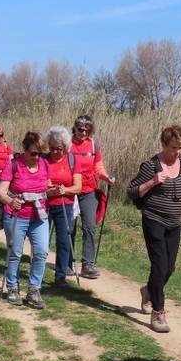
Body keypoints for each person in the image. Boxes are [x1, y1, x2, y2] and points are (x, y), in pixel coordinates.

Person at [128, 124, 181, 333]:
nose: (178, 152)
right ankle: (158, 312)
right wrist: (152, 182)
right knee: (159, 266)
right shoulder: (151, 165)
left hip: (174, 222)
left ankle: (149, 289)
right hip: (154, 219)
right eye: (174, 148)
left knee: (169, 268)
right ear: (164, 145)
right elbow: (132, 192)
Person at [0, 131, 51, 309]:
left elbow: (47, 187)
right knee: (15, 252)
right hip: (16, 216)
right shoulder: (13, 165)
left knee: (42, 251)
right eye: (34, 153)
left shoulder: (44, 164)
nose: (37, 157)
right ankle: (12, 287)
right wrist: (11, 201)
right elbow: (1, 192)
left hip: (39, 215)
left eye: (40, 153)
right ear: (25, 149)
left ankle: (34, 290)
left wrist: (55, 191)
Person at [70, 115, 114, 279]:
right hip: (71, 190)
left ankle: (87, 265)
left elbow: (98, 166)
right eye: (80, 129)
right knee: (69, 228)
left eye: (87, 129)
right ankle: (66, 262)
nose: (83, 132)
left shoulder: (94, 144)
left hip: (89, 190)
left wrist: (106, 177)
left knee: (89, 227)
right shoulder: (67, 143)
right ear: (75, 128)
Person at [44, 126, 82, 287]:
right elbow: (41, 182)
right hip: (45, 204)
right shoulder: (44, 160)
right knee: (41, 240)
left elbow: (78, 187)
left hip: (64, 205)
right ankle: (37, 272)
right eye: (51, 148)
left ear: (65, 148)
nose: (54, 152)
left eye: (58, 149)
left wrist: (64, 190)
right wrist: (49, 189)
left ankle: (60, 276)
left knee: (64, 240)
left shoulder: (72, 160)